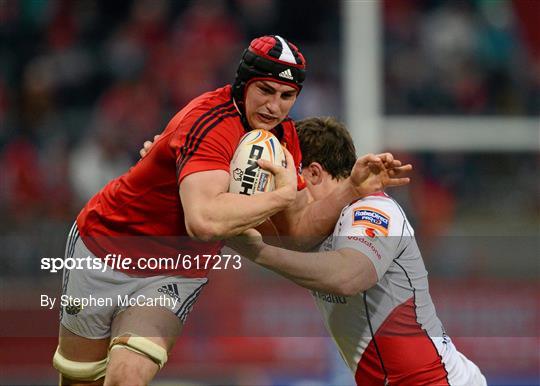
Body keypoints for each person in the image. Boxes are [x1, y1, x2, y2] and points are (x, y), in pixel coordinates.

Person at [54, 36, 410, 386]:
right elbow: (203, 221)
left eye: (287, 96)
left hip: (175, 272)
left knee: (125, 379)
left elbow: (298, 231)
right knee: (79, 379)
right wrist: (280, 196)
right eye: (266, 91)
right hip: (104, 247)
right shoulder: (210, 122)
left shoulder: (284, 138)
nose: (275, 106)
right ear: (243, 84)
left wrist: (351, 188)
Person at [229, 117, 487, 386]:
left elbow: (347, 278)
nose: (279, 189)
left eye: (285, 173)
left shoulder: (371, 210)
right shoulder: (308, 226)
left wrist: (257, 252)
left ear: (313, 174)